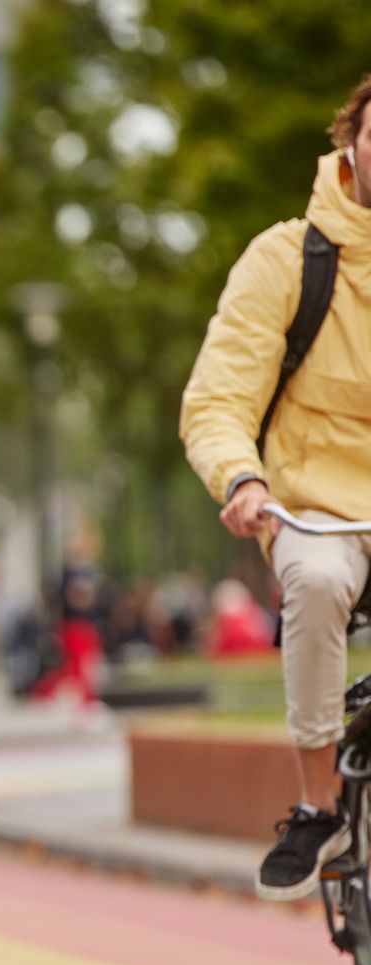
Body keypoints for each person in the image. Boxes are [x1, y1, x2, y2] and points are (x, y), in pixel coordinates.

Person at [181, 76, 371, 901]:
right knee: (319, 582)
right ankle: (317, 799)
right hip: (312, 506)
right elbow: (219, 398)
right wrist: (242, 478)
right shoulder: (289, 257)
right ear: (350, 144)